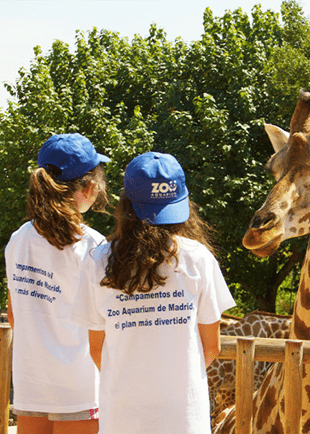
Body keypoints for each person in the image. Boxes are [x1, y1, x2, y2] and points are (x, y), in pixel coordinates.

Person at [72, 151, 235, 434]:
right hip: (185, 419)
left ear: (127, 205)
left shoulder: (97, 261)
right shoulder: (198, 258)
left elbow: (97, 349)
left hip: (122, 418)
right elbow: (211, 347)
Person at [5, 133, 110, 434]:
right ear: (89, 187)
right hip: (80, 389)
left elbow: (14, 316)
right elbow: (102, 324)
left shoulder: (19, 239)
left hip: (30, 383)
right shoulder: (94, 245)